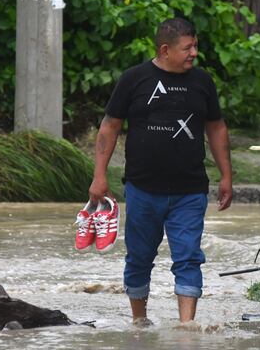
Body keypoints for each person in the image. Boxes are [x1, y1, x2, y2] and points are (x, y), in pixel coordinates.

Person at [88, 17, 233, 324]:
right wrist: (99, 176)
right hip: (142, 190)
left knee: (189, 258)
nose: (194, 52)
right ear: (165, 49)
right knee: (139, 259)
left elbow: (216, 127)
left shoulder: (202, 82)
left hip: (190, 191)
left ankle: (186, 327)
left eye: (195, 45)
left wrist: (226, 176)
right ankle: (139, 322)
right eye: (187, 47)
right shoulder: (134, 79)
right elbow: (109, 126)